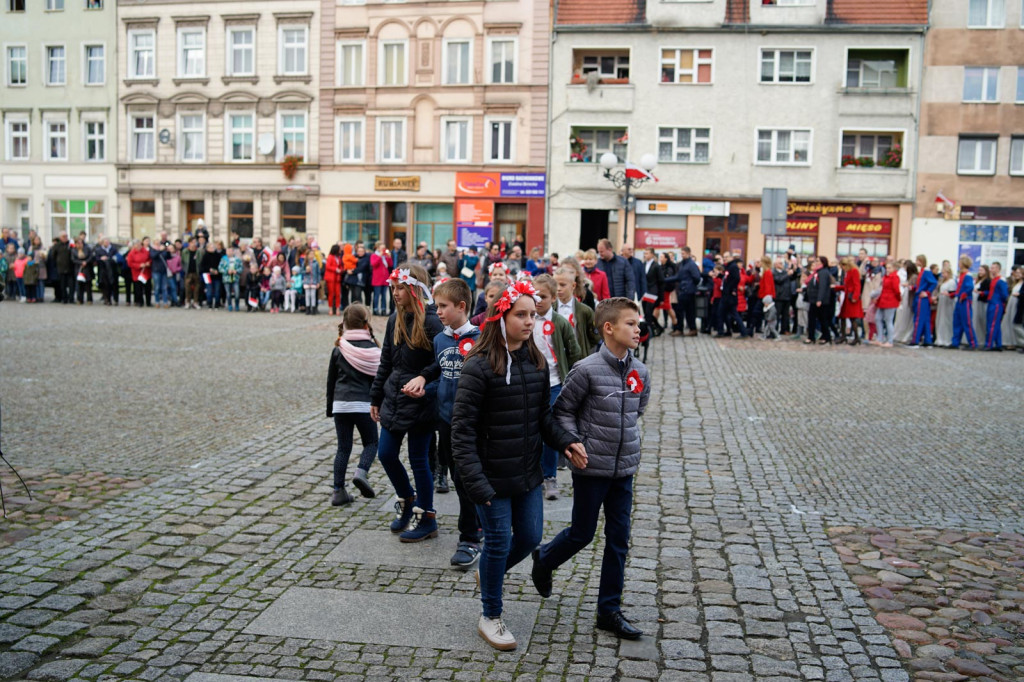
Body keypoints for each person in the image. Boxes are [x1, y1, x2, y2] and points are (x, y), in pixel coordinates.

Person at [450, 280, 581, 651]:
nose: (530, 321)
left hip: (526, 473)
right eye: (521, 315)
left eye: (532, 314)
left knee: (528, 537)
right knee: (496, 541)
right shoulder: (478, 366)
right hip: (489, 477)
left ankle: (488, 575)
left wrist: (566, 443)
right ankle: (490, 615)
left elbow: (543, 417)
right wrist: (477, 486)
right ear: (501, 317)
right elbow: (461, 435)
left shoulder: (536, 362)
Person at [532, 297, 651, 641]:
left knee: (618, 540)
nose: (637, 328)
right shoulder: (585, 369)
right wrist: (574, 442)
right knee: (582, 533)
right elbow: (562, 411)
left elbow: (637, 409)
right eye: (630, 323)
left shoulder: (639, 371)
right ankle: (545, 558)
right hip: (591, 467)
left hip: (624, 468)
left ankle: (608, 611)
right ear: (608, 328)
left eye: (637, 323)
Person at [370, 264, 444, 542]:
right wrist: (375, 397)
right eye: (393, 287)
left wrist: (424, 379)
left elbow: (443, 361)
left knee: (419, 460)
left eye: (400, 287)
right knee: (386, 454)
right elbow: (386, 361)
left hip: (421, 403)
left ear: (415, 288)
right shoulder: (394, 320)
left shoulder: (432, 322)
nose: (395, 292)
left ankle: (427, 517)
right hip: (394, 398)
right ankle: (407, 498)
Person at [414, 278, 483, 568]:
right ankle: (475, 525)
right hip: (445, 418)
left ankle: (471, 536)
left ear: (462, 306)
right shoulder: (440, 338)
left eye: (443, 306)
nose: (438, 311)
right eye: (436, 306)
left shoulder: (480, 339)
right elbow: (437, 366)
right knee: (455, 475)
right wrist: (422, 377)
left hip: (472, 421)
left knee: (468, 479)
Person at [532, 275, 582, 500]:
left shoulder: (560, 323)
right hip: (530, 384)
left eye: (543, 296)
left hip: (553, 384)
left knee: (549, 431)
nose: (538, 301)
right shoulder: (526, 319)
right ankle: (533, 473)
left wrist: (569, 379)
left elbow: (574, 352)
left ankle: (550, 477)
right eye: (534, 296)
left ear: (553, 298)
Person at [326, 304, 381, 506]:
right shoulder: (374, 350)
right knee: (372, 443)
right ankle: (361, 472)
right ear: (366, 323)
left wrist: (330, 408)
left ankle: (338, 491)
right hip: (363, 404)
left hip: (341, 405)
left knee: (343, 448)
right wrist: (380, 404)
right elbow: (379, 381)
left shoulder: (339, 348)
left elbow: (331, 382)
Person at [553, 266, 599, 357]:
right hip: (557, 358)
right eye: (555, 285)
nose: (558, 288)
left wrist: (585, 348)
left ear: (573, 285)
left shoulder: (585, 311)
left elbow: (594, 336)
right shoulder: (550, 309)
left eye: (562, 285)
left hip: (579, 358)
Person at [666, 247, 702, 337]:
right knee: (680, 310)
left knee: (688, 311)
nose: (682, 255)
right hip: (682, 290)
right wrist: (665, 280)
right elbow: (678, 276)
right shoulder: (683, 264)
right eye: (681, 253)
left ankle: (690, 329)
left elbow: (697, 277)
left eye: (683, 253)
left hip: (689, 291)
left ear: (688, 253)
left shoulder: (691, 264)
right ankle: (682, 329)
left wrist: (690, 285)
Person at [949, 255, 977, 350]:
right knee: (957, 322)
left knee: (967, 322)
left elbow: (969, 287)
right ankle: (955, 342)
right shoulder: (961, 275)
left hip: (965, 301)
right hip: (960, 301)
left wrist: (963, 295)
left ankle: (972, 344)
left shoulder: (968, 275)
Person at [803, 256, 832, 345]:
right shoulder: (817, 272)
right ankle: (813, 336)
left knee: (821, 319)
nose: (816, 262)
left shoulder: (823, 272)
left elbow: (822, 287)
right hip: (814, 299)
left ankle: (824, 337)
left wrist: (819, 299)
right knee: (813, 318)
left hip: (820, 300)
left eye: (818, 261)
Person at [909, 255, 937, 347]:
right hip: (920, 296)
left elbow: (933, 282)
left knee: (919, 319)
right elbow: (922, 284)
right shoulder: (922, 271)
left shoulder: (926, 271)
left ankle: (915, 340)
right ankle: (927, 340)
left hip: (922, 298)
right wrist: (913, 287)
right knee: (925, 319)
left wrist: (927, 292)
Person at [873, 256, 901, 347]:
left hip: (890, 300)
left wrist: (898, 299)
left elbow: (896, 290)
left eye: (889, 268)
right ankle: (879, 338)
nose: (887, 269)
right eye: (887, 267)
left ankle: (890, 340)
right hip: (883, 299)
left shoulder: (895, 277)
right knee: (878, 318)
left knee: (888, 321)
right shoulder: (886, 276)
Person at [719, 257, 748, 338]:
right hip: (728, 294)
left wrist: (730, 289)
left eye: (726, 257)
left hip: (729, 295)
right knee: (725, 313)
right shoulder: (729, 267)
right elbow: (728, 278)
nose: (725, 259)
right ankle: (727, 330)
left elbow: (736, 279)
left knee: (730, 313)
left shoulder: (733, 267)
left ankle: (742, 331)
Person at [839, 257, 863, 345]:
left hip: (851, 298)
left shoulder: (854, 271)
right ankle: (843, 336)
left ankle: (856, 337)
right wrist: (837, 288)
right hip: (847, 297)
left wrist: (855, 297)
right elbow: (847, 286)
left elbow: (857, 285)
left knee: (852, 318)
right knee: (843, 317)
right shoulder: (848, 272)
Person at [985, 262, 1008, 351]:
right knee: (996, 325)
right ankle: (998, 344)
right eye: (991, 268)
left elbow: (1004, 294)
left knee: (992, 324)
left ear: (998, 269)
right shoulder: (994, 280)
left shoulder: (1001, 280)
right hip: (992, 302)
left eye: (993, 268)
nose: (991, 270)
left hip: (996, 304)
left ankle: (989, 344)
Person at [935, 263, 955, 347]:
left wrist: (948, 294)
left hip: (948, 303)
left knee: (946, 321)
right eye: (942, 273)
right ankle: (940, 339)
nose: (943, 275)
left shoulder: (951, 282)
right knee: (940, 320)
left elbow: (952, 293)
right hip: (942, 303)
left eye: (944, 273)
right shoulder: (943, 282)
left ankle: (947, 339)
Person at [1000, 266, 1021, 349]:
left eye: (1019, 273)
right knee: (1008, 322)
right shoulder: (1013, 282)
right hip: (1011, 303)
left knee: (1016, 324)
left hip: (1018, 304)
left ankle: (1016, 342)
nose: (1017, 274)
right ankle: (1009, 341)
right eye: (1016, 272)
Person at [370, 242, 392, 315]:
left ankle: (383, 309)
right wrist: (380, 256)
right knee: (376, 295)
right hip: (377, 279)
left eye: (384, 248)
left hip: (385, 279)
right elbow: (374, 264)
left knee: (384, 296)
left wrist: (389, 257)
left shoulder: (385, 256)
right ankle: (375, 309)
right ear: (378, 248)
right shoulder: (374, 255)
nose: (383, 249)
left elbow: (390, 265)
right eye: (382, 248)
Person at [219, 247, 242, 312]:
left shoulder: (237, 259)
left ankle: (237, 304)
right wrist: (226, 271)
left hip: (235, 278)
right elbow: (220, 268)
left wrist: (236, 271)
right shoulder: (223, 259)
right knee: (228, 293)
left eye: (230, 251)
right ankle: (229, 305)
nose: (229, 252)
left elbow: (241, 268)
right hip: (226, 278)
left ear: (233, 252)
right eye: (228, 251)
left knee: (237, 293)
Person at [325, 244, 343, 316]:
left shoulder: (338, 257)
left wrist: (340, 270)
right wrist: (336, 269)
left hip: (337, 278)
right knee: (331, 294)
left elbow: (340, 266)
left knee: (338, 294)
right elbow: (328, 266)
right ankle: (330, 308)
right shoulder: (330, 257)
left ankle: (337, 308)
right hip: (331, 277)